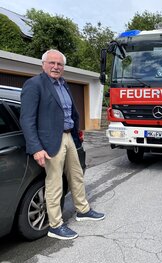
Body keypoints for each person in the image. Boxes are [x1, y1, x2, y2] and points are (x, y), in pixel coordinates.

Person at [20, 49, 105, 240]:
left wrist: (76, 135)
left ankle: (83, 210)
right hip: (50, 141)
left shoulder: (63, 84)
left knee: (76, 176)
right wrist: (36, 148)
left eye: (59, 64)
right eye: (52, 63)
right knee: (54, 183)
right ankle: (55, 225)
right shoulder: (34, 85)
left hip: (69, 137)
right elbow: (27, 120)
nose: (56, 67)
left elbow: (70, 112)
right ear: (43, 64)